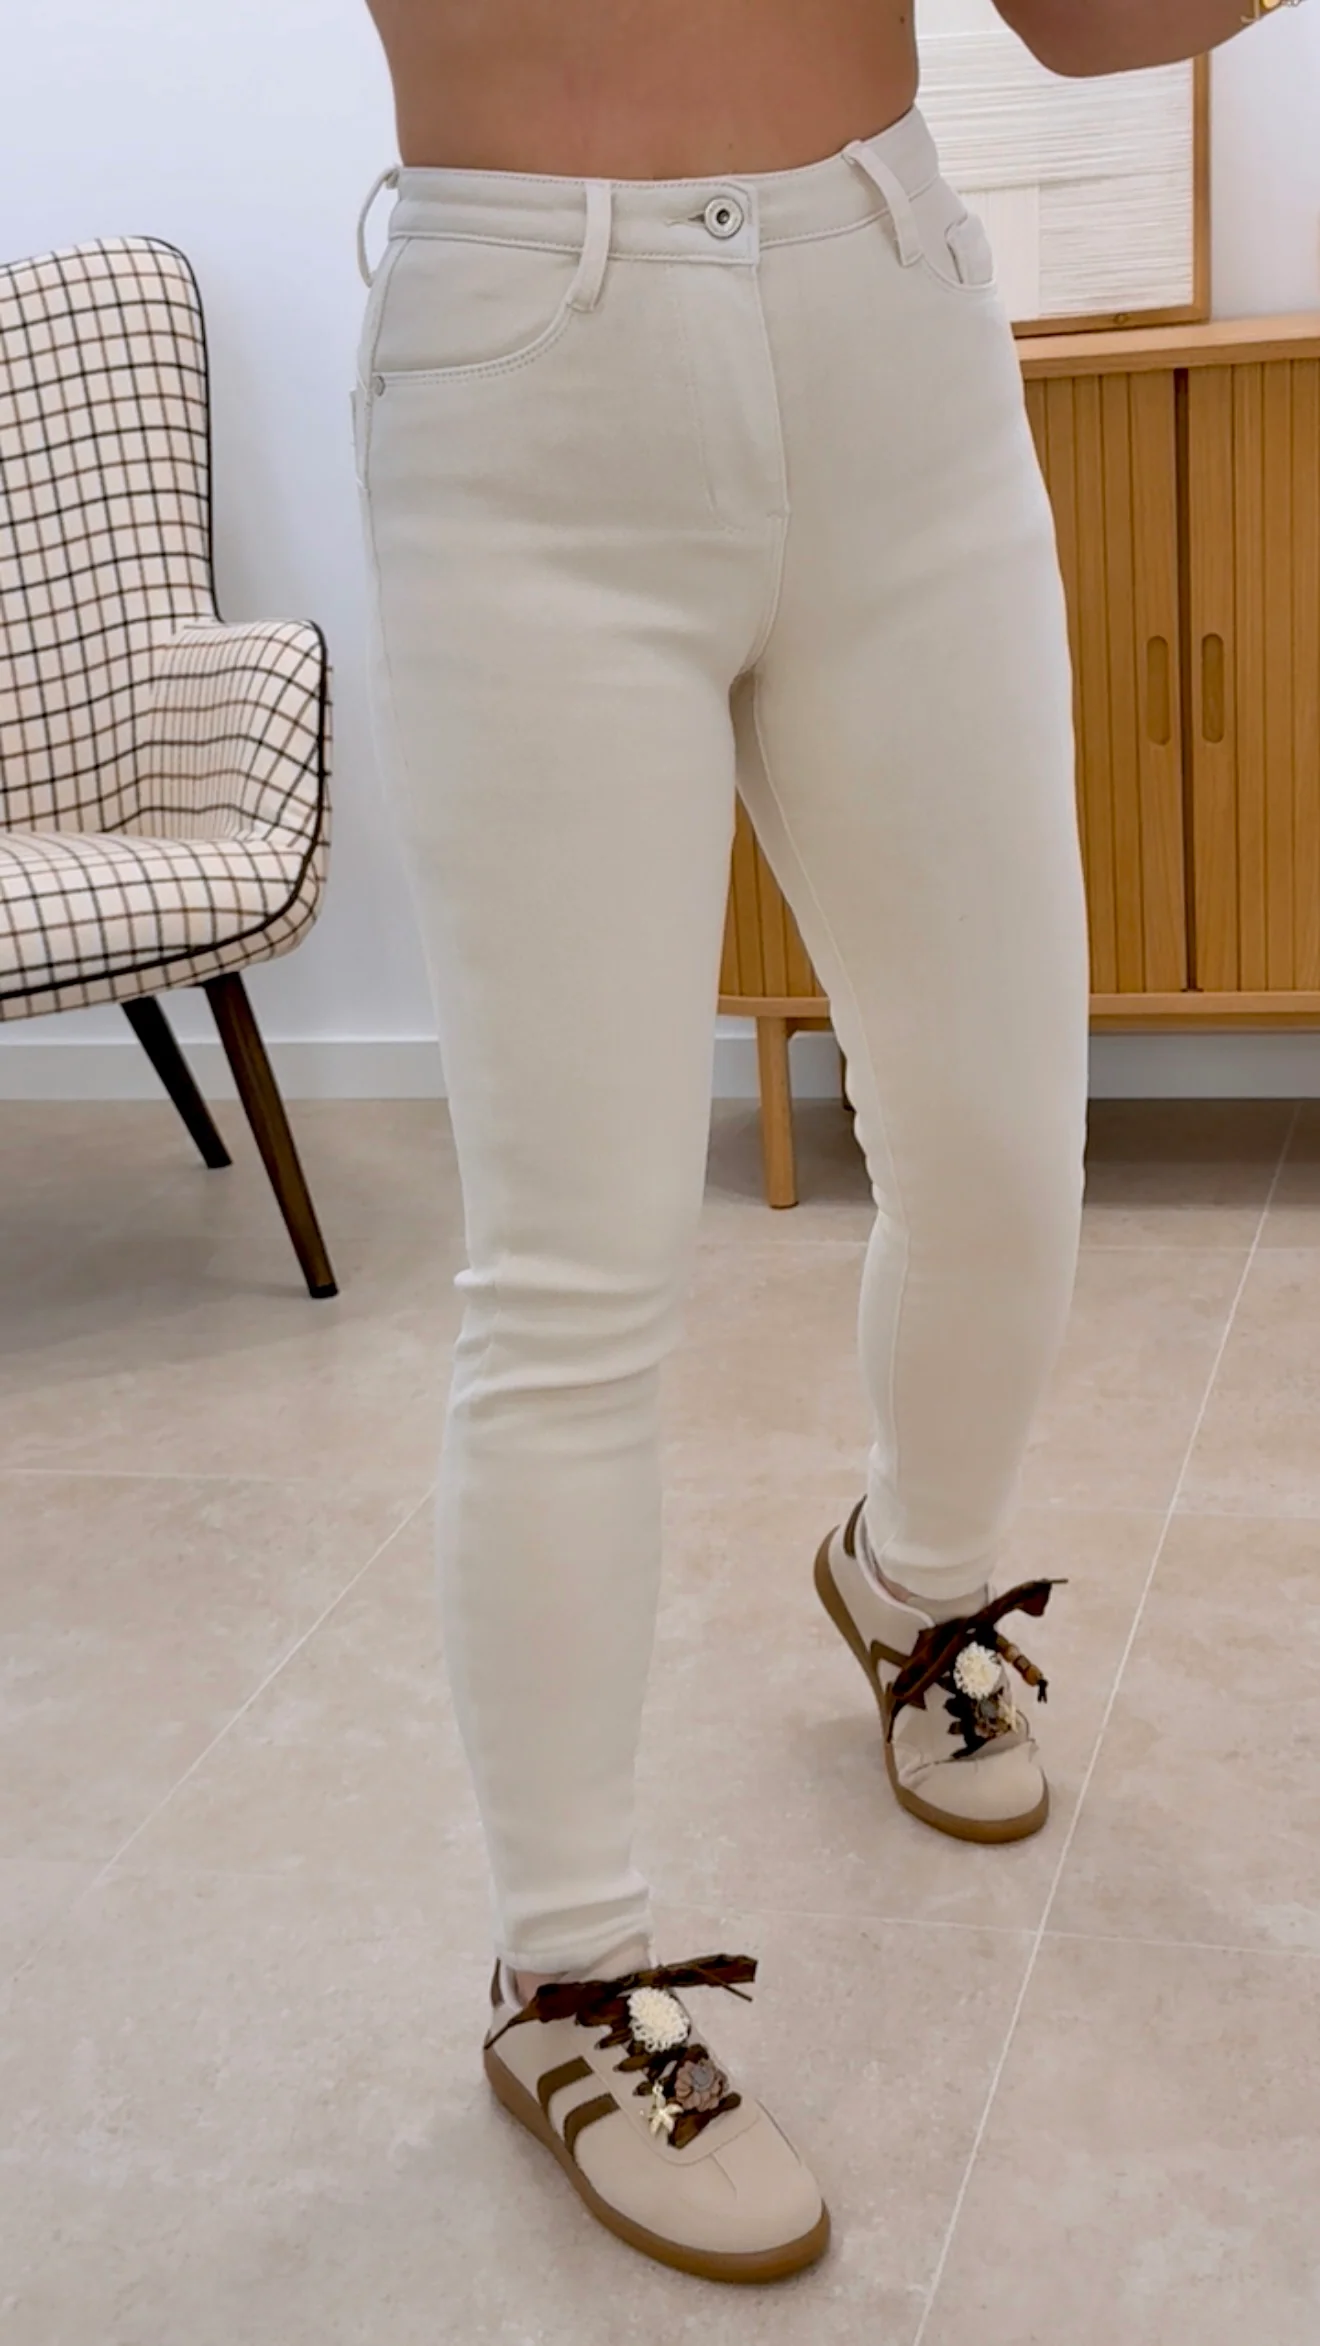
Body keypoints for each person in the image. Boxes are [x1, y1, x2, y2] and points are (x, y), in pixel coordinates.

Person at [352, 0, 1294, 2284]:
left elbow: (1084, 23)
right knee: (576, 1269)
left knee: (1002, 1145)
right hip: (529, 369)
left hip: (892, 322)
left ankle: (916, 1577)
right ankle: (569, 1973)